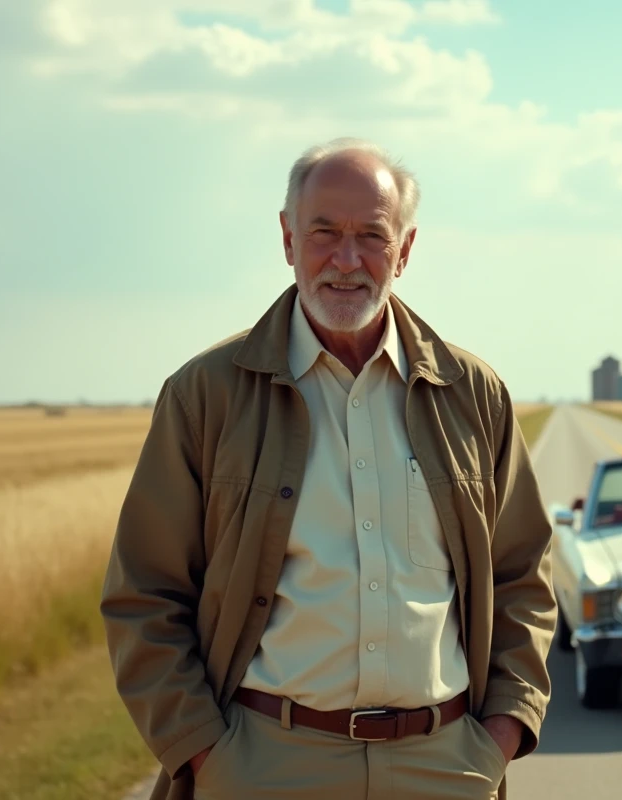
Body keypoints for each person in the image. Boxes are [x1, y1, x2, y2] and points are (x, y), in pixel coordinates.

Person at [100, 138, 557, 800]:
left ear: (404, 250)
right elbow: (145, 594)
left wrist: (502, 735)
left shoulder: (473, 392)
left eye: (372, 235)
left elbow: (522, 577)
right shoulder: (206, 395)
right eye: (324, 233)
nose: (347, 260)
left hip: (447, 764)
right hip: (267, 766)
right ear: (288, 239)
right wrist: (206, 754)